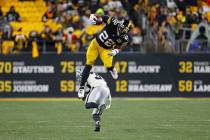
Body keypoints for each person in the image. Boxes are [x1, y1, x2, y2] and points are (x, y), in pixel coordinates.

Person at [78, 14, 133, 97]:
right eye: (121, 29)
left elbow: (119, 46)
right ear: (120, 25)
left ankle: (111, 69)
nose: (121, 31)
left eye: (124, 31)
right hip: (95, 44)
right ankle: (81, 88)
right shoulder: (114, 22)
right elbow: (102, 17)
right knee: (88, 64)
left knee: (108, 65)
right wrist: (96, 19)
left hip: (106, 49)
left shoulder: (124, 38)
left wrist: (116, 51)